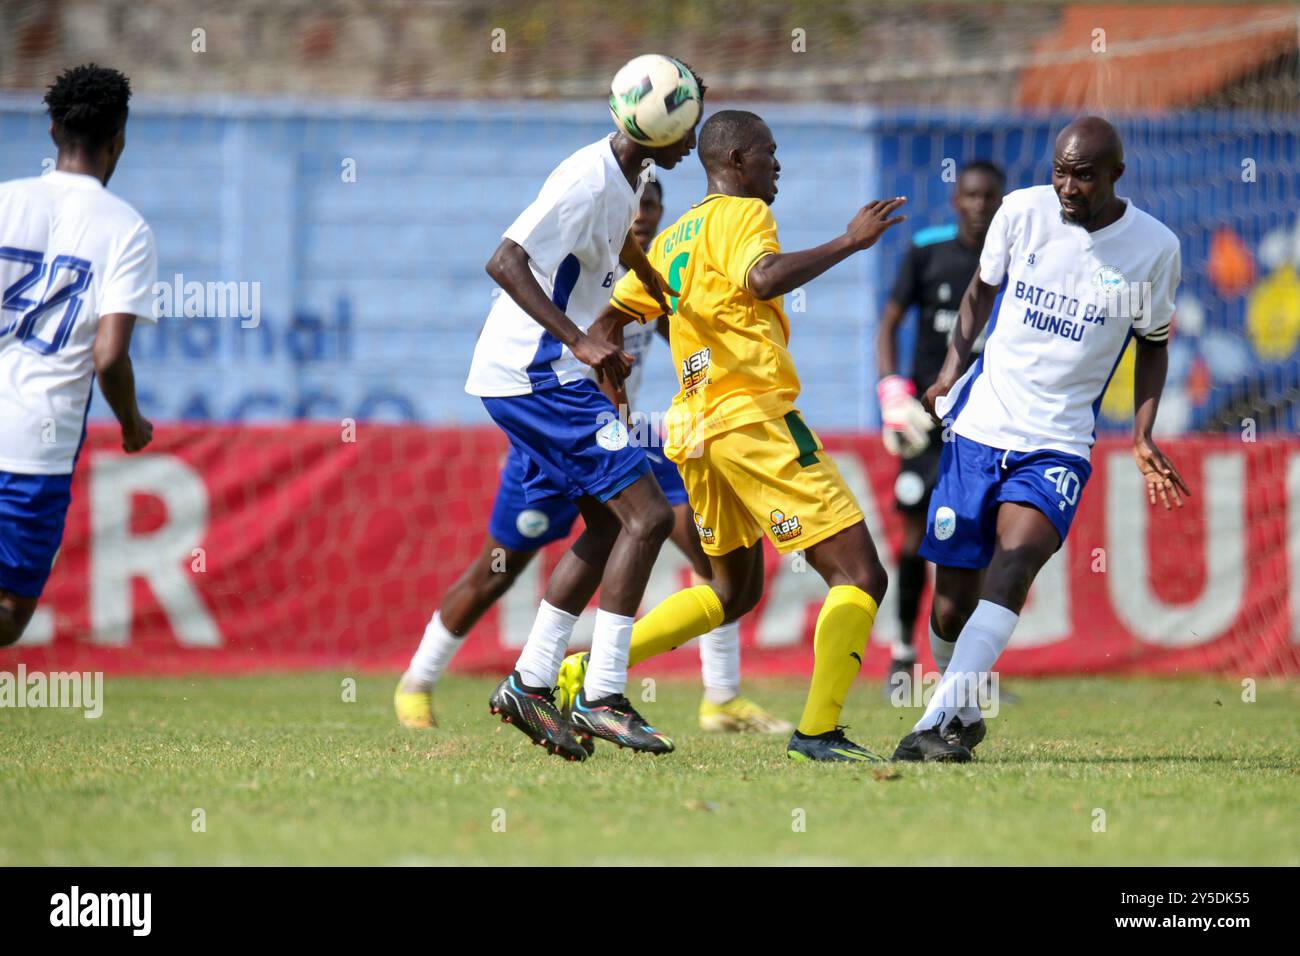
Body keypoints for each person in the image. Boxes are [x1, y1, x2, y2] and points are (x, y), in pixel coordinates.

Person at [564, 109, 906, 762]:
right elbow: (763, 278)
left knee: (734, 591)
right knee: (861, 575)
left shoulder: (672, 238)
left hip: (694, 432)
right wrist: (849, 241)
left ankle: (582, 666)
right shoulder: (744, 214)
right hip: (752, 419)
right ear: (738, 160)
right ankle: (818, 733)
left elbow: (608, 323)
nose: (778, 165)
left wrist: (606, 382)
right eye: (770, 153)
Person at [394, 178, 791, 735]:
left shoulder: (665, 275)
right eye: (634, 207)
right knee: (498, 569)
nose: (642, 216)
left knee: (705, 555)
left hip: (638, 436)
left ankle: (719, 698)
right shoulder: (588, 271)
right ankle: (418, 681)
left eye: (651, 206)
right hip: (562, 434)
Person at [893, 116, 1188, 762]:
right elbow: (979, 294)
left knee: (1016, 562)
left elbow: (1154, 345)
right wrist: (947, 375)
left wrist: (1141, 434)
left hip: (1057, 442)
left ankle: (932, 723)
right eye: (1060, 170)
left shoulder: (1155, 248)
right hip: (978, 427)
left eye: (1083, 175)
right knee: (948, 612)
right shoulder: (1023, 212)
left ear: (1116, 175)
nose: (1068, 186)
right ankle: (965, 713)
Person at [465, 58, 703, 762]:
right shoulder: (583, 178)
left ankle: (530, 683)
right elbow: (504, 261)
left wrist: (654, 279)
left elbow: (612, 238)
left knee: (609, 522)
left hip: (544, 373)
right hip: (535, 374)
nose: (692, 139)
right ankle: (602, 694)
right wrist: (582, 342)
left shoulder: (621, 177)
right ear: (660, 126)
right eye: (687, 122)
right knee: (651, 515)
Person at [0, 64, 157, 647]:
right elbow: (109, 356)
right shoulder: (125, 230)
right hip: (33, 450)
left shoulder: (5, 200)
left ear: (50, 131)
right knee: (12, 613)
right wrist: (132, 424)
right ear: (119, 140)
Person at [875, 161, 1004, 697]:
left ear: (1000, 204)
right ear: (956, 200)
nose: (979, 205)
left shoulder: (1013, 261)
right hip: (926, 425)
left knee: (977, 548)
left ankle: (967, 673)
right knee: (911, 540)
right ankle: (903, 658)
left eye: (988, 198)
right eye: (970, 196)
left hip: (989, 422)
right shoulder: (927, 251)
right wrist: (890, 389)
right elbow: (889, 321)